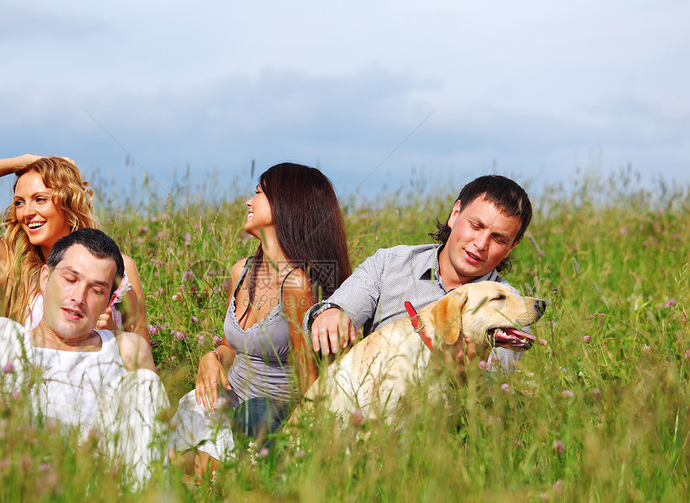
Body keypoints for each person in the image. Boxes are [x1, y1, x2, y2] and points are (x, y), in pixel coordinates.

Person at [0, 229, 166, 485]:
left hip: (92, 491)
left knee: (144, 384)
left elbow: (155, 437)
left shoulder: (126, 350)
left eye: (96, 290)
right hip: (4, 477)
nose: (78, 298)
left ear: (109, 301)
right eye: (70, 279)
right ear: (45, 278)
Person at [169, 163, 352, 478]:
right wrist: (211, 357)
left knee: (201, 473)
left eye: (259, 193)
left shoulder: (297, 286)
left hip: (264, 418)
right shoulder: (240, 271)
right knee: (169, 462)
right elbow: (231, 346)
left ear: (287, 205)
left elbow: (311, 379)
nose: (248, 202)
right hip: (228, 399)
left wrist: (312, 442)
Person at [308, 174, 532, 367]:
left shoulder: (512, 307)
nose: (481, 244)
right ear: (455, 214)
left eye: (498, 239)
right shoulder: (390, 264)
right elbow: (329, 315)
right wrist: (329, 314)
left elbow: (490, 388)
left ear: (512, 246)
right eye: (476, 226)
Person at [0, 154, 150, 344]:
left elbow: (143, 365)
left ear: (68, 201)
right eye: (19, 202)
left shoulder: (120, 269)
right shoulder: (19, 274)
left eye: (40, 199)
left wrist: (111, 333)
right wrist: (25, 161)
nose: (27, 212)